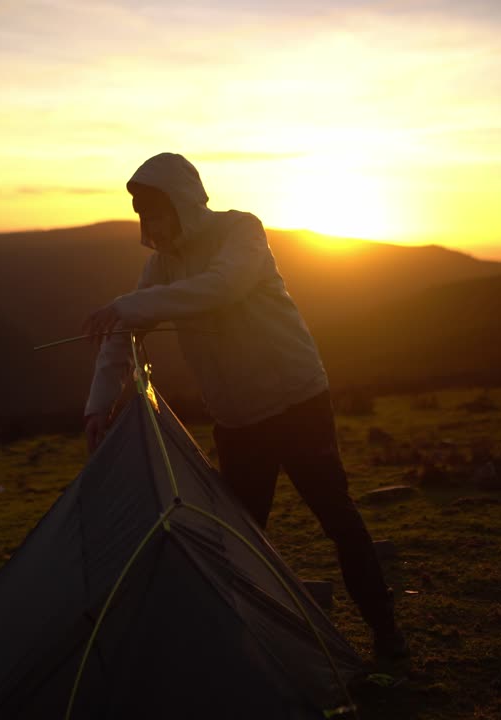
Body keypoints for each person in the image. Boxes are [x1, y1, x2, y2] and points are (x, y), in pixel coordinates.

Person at [81, 152, 408, 660]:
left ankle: (387, 636)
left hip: (296, 400)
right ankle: (250, 647)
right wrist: (97, 406)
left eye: (156, 211)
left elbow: (222, 288)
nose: (149, 225)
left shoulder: (242, 232)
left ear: (182, 204)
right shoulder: (160, 267)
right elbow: (123, 335)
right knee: (240, 538)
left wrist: (129, 305)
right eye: (142, 215)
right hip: (236, 419)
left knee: (336, 516)